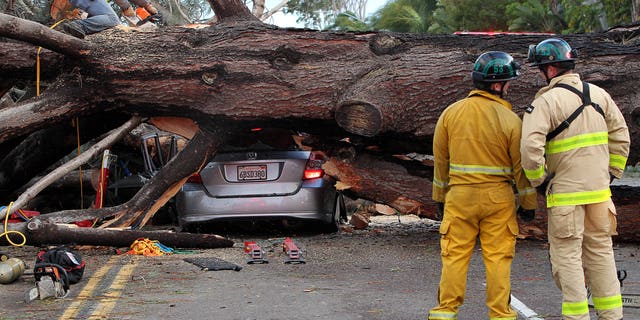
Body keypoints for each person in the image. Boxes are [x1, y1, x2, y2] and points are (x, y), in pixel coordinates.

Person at [521, 38, 630, 320]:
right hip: (599, 195)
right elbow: (621, 136)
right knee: (601, 256)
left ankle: (577, 317)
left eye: (541, 68)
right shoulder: (600, 95)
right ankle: (612, 316)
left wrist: (539, 180)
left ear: (551, 68)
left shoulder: (545, 102)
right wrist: (609, 174)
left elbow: (530, 148)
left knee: (568, 259)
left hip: (566, 198)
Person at [427, 51, 538, 320]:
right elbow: (520, 169)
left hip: (459, 197)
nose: (509, 87)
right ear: (498, 85)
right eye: (508, 82)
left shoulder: (450, 114)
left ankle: (444, 312)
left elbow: (441, 161)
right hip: (498, 199)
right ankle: (501, 314)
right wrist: (528, 204)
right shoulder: (511, 121)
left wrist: (439, 198)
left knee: (454, 256)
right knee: (498, 258)